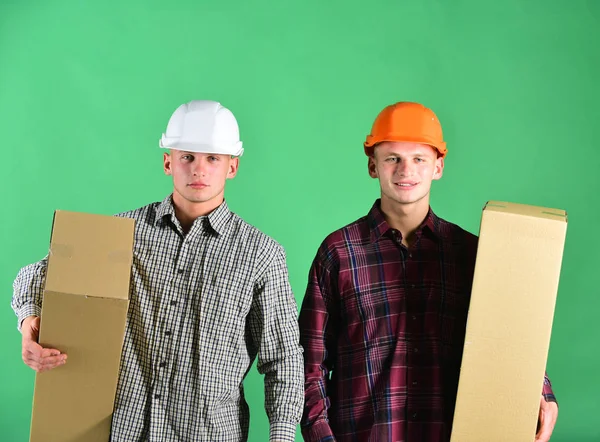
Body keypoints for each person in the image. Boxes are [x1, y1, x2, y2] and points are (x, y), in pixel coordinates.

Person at [12, 100, 304, 442]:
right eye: (187, 157)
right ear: (168, 161)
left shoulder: (261, 255)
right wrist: (29, 320)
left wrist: (281, 436)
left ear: (232, 167)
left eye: (212, 158)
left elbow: (283, 359)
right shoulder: (122, 233)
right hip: (122, 432)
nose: (199, 169)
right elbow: (36, 275)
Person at [298, 102, 558, 442]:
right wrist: (321, 437)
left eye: (419, 158)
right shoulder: (339, 253)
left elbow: (510, 340)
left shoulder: (471, 253)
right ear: (372, 166)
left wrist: (542, 393)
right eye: (392, 158)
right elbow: (307, 364)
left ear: (438, 166)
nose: (406, 170)